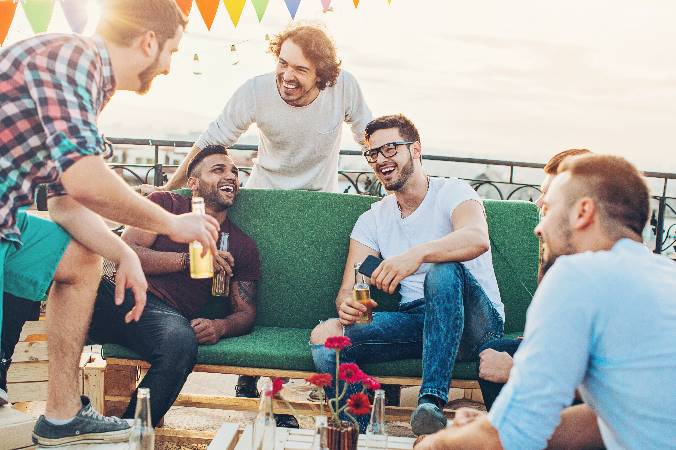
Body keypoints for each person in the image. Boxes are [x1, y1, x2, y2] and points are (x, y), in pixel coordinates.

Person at [0, 1, 220, 446]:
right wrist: (173, 224)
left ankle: (61, 416)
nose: (168, 67)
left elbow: (66, 204)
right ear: (148, 42)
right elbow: (85, 178)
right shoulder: (71, 59)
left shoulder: (90, 85)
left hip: (7, 226)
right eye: (172, 53)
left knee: (81, 257)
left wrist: (121, 252)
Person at [414, 154, 676, 449]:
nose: (539, 228)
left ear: (583, 212)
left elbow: (511, 438)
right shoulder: (665, 274)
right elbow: (603, 420)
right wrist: (493, 424)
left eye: (548, 209)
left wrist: (433, 445)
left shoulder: (579, 275)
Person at [309, 114, 505, 435]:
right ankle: (362, 426)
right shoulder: (374, 219)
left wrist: (417, 255)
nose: (381, 160)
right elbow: (352, 284)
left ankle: (430, 401)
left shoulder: (453, 193)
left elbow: (476, 238)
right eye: (373, 153)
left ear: (415, 150)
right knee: (326, 335)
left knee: (443, 270)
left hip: (475, 324)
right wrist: (349, 305)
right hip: (418, 324)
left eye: (390, 149)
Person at [89, 145, 260, 426]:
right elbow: (126, 252)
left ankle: (128, 435)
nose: (230, 176)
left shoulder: (241, 244)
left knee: (181, 344)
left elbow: (246, 312)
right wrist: (187, 261)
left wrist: (220, 327)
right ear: (193, 183)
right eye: (218, 170)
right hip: (118, 295)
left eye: (235, 172)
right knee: (55, 283)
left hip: (165, 315)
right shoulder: (165, 205)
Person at [161, 23, 372, 193]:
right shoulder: (255, 90)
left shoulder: (344, 86)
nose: (287, 76)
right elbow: (211, 141)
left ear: (321, 75)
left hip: (320, 199)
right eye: (283, 63)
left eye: (300, 69)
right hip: (263, 194)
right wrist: (169, 189)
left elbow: (370, 139)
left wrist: (397, 190)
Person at [477, 148, 591, 410]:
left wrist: (517, 371)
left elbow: (608, 381)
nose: (539, 205)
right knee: (493, 352)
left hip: (585, 381)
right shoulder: (565, 256)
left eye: (549, 199)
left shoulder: (603, 275)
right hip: (566, 358)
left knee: (499, 359)